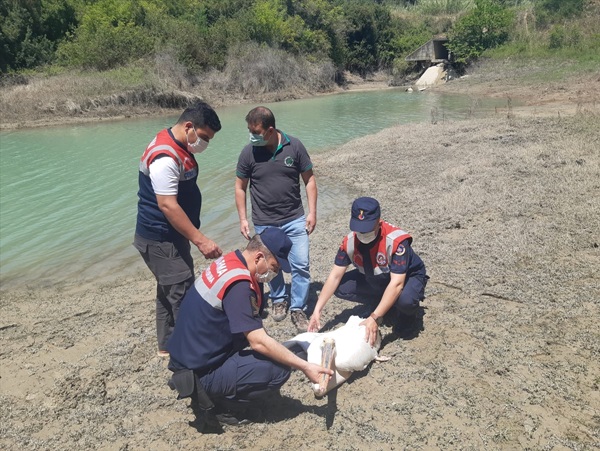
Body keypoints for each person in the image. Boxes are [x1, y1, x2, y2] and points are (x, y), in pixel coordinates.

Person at [167, 227, 333, 429]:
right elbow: (257, 342)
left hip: (190, 355)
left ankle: (220, 386)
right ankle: (221, 405)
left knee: (285, 353)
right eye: (275, 266)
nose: (276, 273)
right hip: (198, 372)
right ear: (259, 257)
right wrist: (305, 366)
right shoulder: (239, 286)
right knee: (278, 369)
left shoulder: (232, 262)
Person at [133, 102, 223, 357]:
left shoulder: (177, 144)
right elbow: (168, 206)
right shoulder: (165, 157)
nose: (205, 143)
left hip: (171, 236)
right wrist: (201, 241)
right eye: (204, 137)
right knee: (182, 292)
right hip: (161, 238)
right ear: (188, 126)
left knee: (167, 289)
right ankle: (191, 353)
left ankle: (167, 346)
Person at [235, 106, 317, 332]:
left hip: (294, 219)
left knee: (301, 264)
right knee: (270, 266)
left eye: (256, 132)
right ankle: (279, 298)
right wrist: (243, 218)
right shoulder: (248, 153)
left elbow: (309, 180)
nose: (252, 136)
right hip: (264, 221)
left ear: (270, 130)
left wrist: (312, 212)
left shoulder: (295, 146)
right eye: (249, 131)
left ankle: (298, 307)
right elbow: (240, 187)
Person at [308, 197, 428, 343]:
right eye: (359, 229)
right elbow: (334, 276)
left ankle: (407, 316)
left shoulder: (396, 242)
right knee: (340, 287)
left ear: (379, 222)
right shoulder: (349, 242)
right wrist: (317, 310)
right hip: (377, 277)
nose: (363, 234)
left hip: (406, 277)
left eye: (367, 229)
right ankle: (384, 304)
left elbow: (397, 284)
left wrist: (374, 317)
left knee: (405, 301)